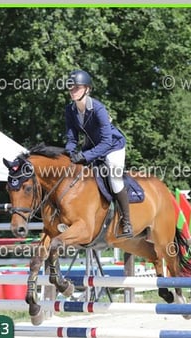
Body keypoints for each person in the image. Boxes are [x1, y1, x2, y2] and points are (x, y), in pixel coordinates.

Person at [64, 69, 133, 238]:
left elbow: (106, 142)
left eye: (77, 87)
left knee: (115, 178)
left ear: (87, 89)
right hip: (92, 147)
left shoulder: (98, 108)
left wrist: (85, 156)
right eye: (71, 87)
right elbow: (72, 138)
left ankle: (126, 222)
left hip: (113, 147)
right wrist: (69, 154)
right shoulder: (70, 110)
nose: (73, 91)